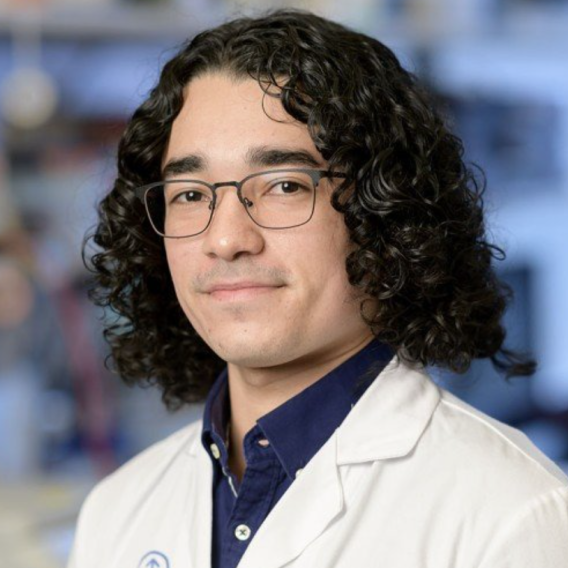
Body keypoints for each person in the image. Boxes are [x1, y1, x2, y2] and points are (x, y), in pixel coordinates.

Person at [68, 9, 568, 568]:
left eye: (284, 185)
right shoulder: (116, 512)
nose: (226, 239)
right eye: (189, 194)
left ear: (387, 214)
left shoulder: (512, 516)